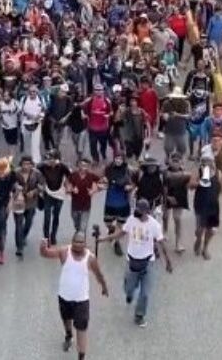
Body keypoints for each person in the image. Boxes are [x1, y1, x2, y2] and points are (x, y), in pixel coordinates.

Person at [98, 198, 173, 327]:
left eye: (140, 210)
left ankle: (139, 315)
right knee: (129, 288)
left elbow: (161, 243)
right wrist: (105, 239)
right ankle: (129, 292)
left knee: (145, 293)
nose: (137, 211)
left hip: (148, 262)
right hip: (132, 260)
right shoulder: (131, 220)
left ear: (146, 212)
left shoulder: (154, 225)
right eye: (136, 208)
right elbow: (121, 233)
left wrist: (168, 262)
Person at [41, 233, 109, 360]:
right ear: (71, 242)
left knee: (81, 328)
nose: (78, 245)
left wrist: (104, 286)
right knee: (66, 319)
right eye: (76, 242)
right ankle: (68, 335)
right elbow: (46, 254)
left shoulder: (90, 258)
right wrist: (43, 247)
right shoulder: (64, 252)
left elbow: (98, 274)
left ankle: (81, 356)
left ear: (85, 244)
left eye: (81, 242)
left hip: (81, 300)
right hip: (64, 296)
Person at [191, 154, 222, 260]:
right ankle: (198, 239)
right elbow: (190, 186)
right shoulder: (199, 172)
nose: (207, 164)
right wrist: (201, 181)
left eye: (209, 162)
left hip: (213, 206)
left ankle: (205, 248)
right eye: (204, 162)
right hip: (200, 205)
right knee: (200, 229)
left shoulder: (218, 174)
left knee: (211, 230)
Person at [39, 151, 71, 244]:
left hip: (59, 194)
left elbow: (70, 176)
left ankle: (53, 235)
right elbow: (35, 173)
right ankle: (46, 237)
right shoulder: (42, 167)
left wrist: (68, 185)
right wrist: (40, 186)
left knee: (56, 215)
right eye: (49, 159)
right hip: (48, 193)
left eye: (53, 159)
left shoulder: (62, 167)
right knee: (47, 216)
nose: (51, 161)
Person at [162, 153, 190, 252]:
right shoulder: (165, 173)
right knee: (165, 216)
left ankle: (178, 243)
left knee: (177, 218)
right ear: (169, 161)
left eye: (177, 161)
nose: (175, 163)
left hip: (180, 198)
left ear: (181, 162)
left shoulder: (186, 174)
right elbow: (164, 187)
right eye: (173, 160)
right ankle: (165, 231)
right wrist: (167, 198)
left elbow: (189, 185)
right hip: (168, 197)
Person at [67, 157, 100, 234]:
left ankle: (81, 237)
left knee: (83, 228)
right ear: (79, 165)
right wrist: (72, 189)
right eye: (82, 165)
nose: (83, 167)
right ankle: (79, 233)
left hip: (86, 206)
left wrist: (93, 190)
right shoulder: (73, 175)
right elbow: (67, 184)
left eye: (85, 165)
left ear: (88, 166)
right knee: (77, 225)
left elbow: (102, 184)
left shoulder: (91, 176)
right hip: (75, 205)